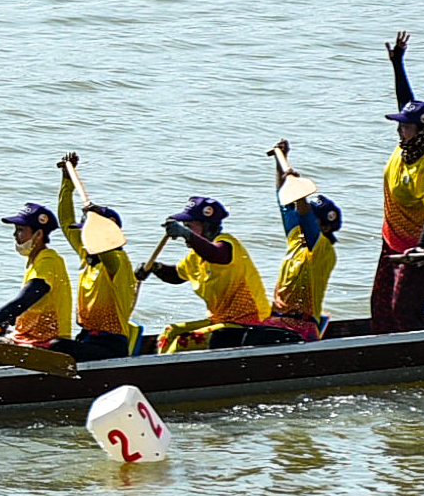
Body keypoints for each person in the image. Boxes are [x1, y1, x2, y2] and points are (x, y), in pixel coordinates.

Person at [373, 31, 424, 333]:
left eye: (405, 126)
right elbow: (407, 102)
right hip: (392, 239)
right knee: (380, 309)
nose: (399, 130)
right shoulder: (410, 143)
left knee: (404, 312)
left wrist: (423, 249)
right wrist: (398, 64)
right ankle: (381, 360)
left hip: (421, 249)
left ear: (421, 130)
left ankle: (418, 369)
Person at [136, 197, 271, 351]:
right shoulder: (196, 255)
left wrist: (187, 235)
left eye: (189, 226)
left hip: (248, 323)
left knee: (182, 342)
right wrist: (155, 267)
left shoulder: (227, 245)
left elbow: (216, 253)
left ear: (207, 226)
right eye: (184, 226)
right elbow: (176, 275)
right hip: (220, 321)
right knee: (170, 331)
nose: (184, 231)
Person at [0, 202, 71, 367]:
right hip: (23, 337)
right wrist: (7, 323)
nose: (15, 235)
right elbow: (30, 309)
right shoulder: (35, 260)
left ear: (38, 234)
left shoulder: (48, 261)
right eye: (15, 229)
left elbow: (23, 301)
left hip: (45, 342)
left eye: (21, 230)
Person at [53, 153, 141, 360]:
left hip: (111, 345)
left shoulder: (117, 262)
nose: (83, 238)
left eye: (87, 233)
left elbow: (104, 247)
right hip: (86, 338)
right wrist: (67, 182)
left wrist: (98, 220)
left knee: (57, 345)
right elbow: (66, 222)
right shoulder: (87, 254)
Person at [266, 140, 341, 342]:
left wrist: (299, 193)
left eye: (312, 217)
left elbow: (305, 216)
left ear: (325, 227)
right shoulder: (296, 238)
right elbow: (283, 200)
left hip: (301, 327)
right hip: (278, 320)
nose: (303, 217)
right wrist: (281, 160)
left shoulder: (323, 248)